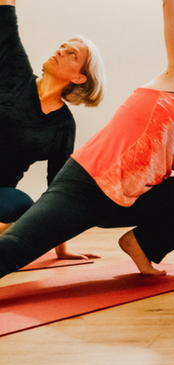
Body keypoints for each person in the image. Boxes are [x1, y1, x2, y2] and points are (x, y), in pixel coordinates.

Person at [0, 0, 174, 279]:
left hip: (130, 202)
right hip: (83, 185)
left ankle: (143, 245)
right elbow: (172, 8)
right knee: (15, 249)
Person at [0, 0, 105, 259]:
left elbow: (58, 191)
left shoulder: (63, 126)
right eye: (62, 47)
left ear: (79, 77)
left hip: (1, 194)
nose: (60, 51)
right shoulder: (17, 74)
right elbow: (5, 19)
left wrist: (61, 250)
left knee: (24, 206)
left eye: (72, 54)